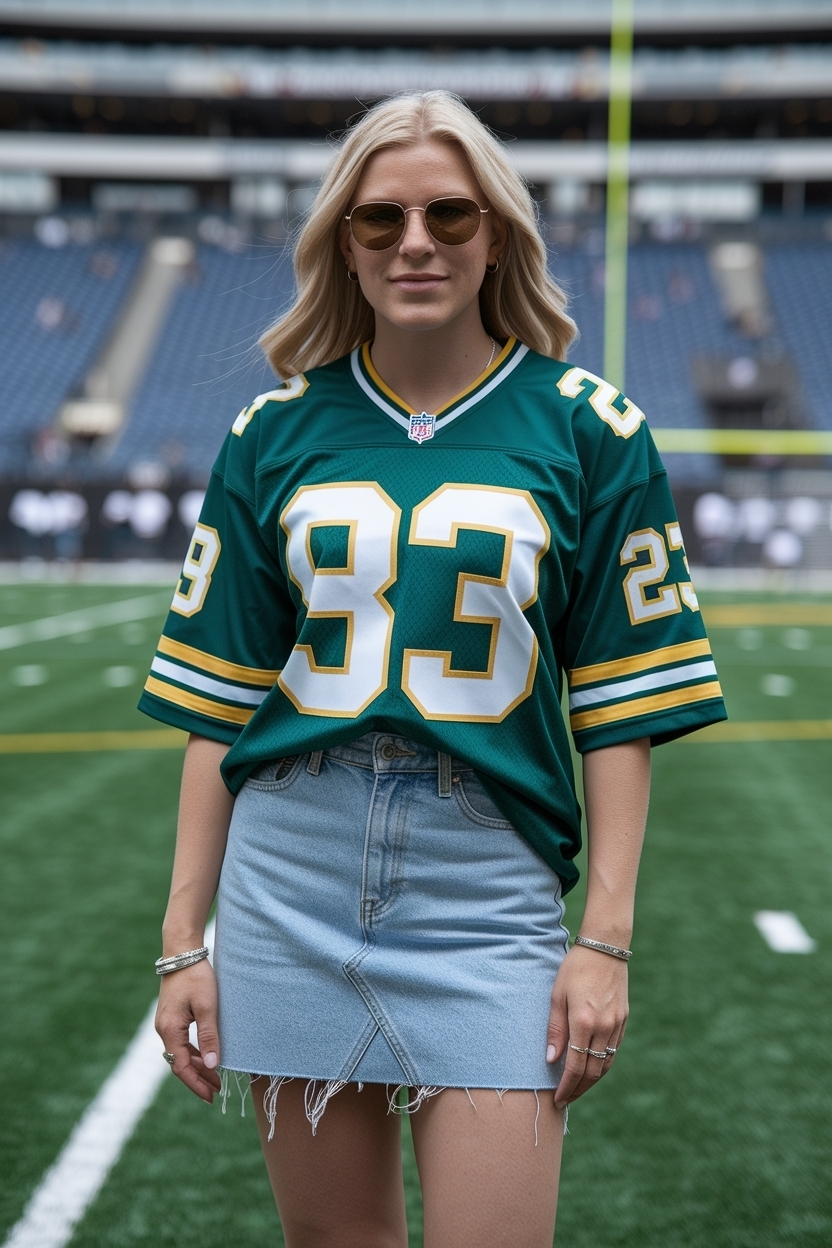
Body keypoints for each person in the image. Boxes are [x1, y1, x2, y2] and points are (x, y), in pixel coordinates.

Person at [141, 91, 726, 1248]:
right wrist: (181, 943)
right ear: (342, 247)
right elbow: (219, 707)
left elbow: (617, 711)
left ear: (496, 234)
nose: (416, 242)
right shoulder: (271, 434)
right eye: (380, 221)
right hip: (290, 876)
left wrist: (601, 942)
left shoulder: (592, 428)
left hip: (485, 885)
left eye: (451, 217)